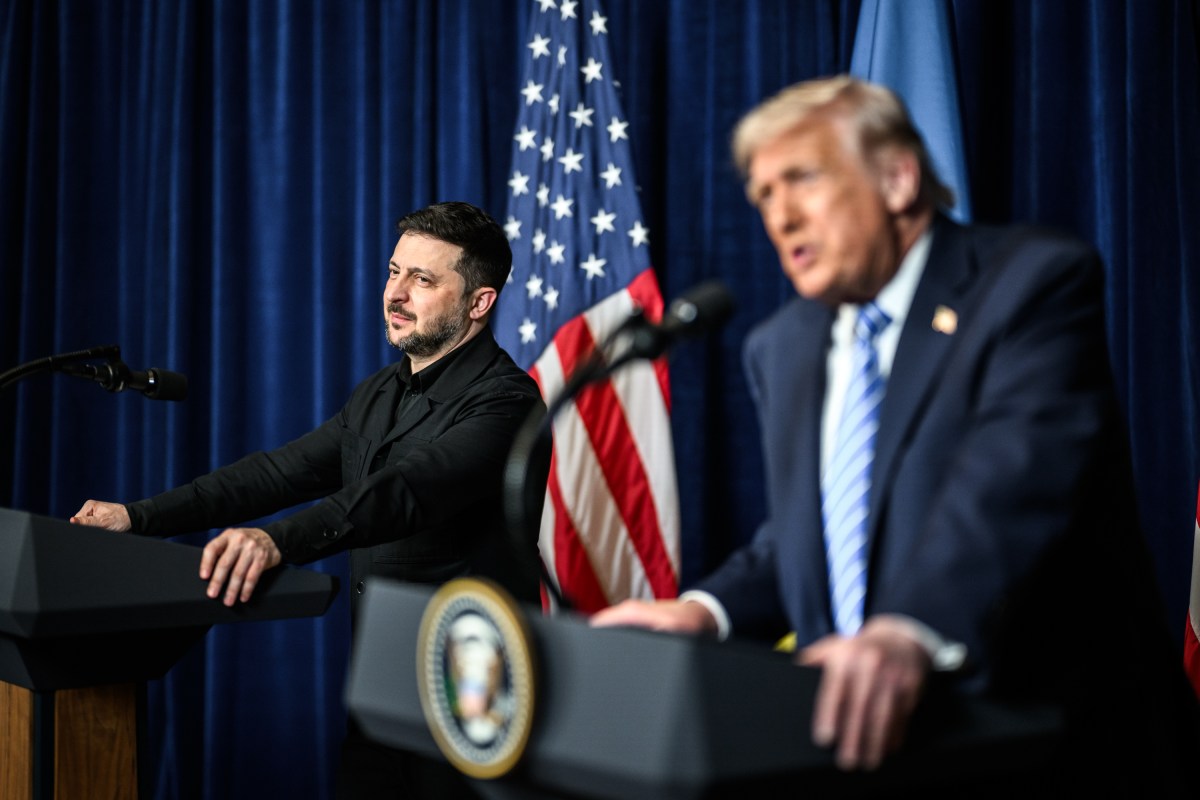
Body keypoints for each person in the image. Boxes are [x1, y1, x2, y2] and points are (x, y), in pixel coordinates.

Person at [592, 76, 1198, 791]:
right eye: (763, 195)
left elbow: (1010, 485)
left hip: (1045, 744)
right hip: (851, 745)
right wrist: (705, 611)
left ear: (899, 178)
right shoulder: (782, 346)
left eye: (802, 180)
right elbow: (809, 532)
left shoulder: (1030, 283)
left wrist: (908, 628)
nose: (780, 216)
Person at [71, 200, 546, 798]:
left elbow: (401, 494)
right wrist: (137, 517)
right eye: (394, 271)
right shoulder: (379, 391)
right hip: (379, 689)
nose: (394, 293)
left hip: (475, 699)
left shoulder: (507, 402)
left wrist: (276, 541)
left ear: (479, 302)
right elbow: (276, 474)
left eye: (422, 279)